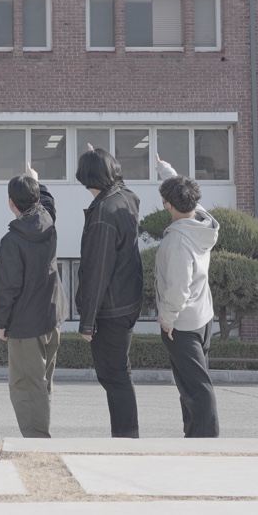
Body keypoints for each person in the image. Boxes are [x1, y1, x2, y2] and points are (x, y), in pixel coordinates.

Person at [0, 164, 66, 438]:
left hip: (26, 324)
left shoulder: (12, 240)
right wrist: (37, 181)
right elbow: (48, 203)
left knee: (25, 385)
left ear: (11, 203)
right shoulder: (47, 222)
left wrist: (0, 322)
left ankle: (37, 440)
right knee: (42, 382)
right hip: (52, 317)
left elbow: (7, 286)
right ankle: (40, 435)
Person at [74, 144, 143, 438]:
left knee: (114, 376)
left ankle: (126, 438)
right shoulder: (126, 197)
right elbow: (120, 182)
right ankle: (127, 435)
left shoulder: (103, 212)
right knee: (119, 373)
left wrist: (87, 322)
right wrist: (100, 158)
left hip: (111, 308)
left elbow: (97, 270)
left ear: (86, 177)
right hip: (128, 299)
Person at [153, 157, 221, 438]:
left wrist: (166, 319)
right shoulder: (201, 222)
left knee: (195, 386)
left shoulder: (178, 240)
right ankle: (193, 437)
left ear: (168, 205)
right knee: (191, 384)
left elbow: (178, 288)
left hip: (182, 323)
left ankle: (207, 440)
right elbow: (183, 191)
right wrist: (166, 170)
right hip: (202, 316)